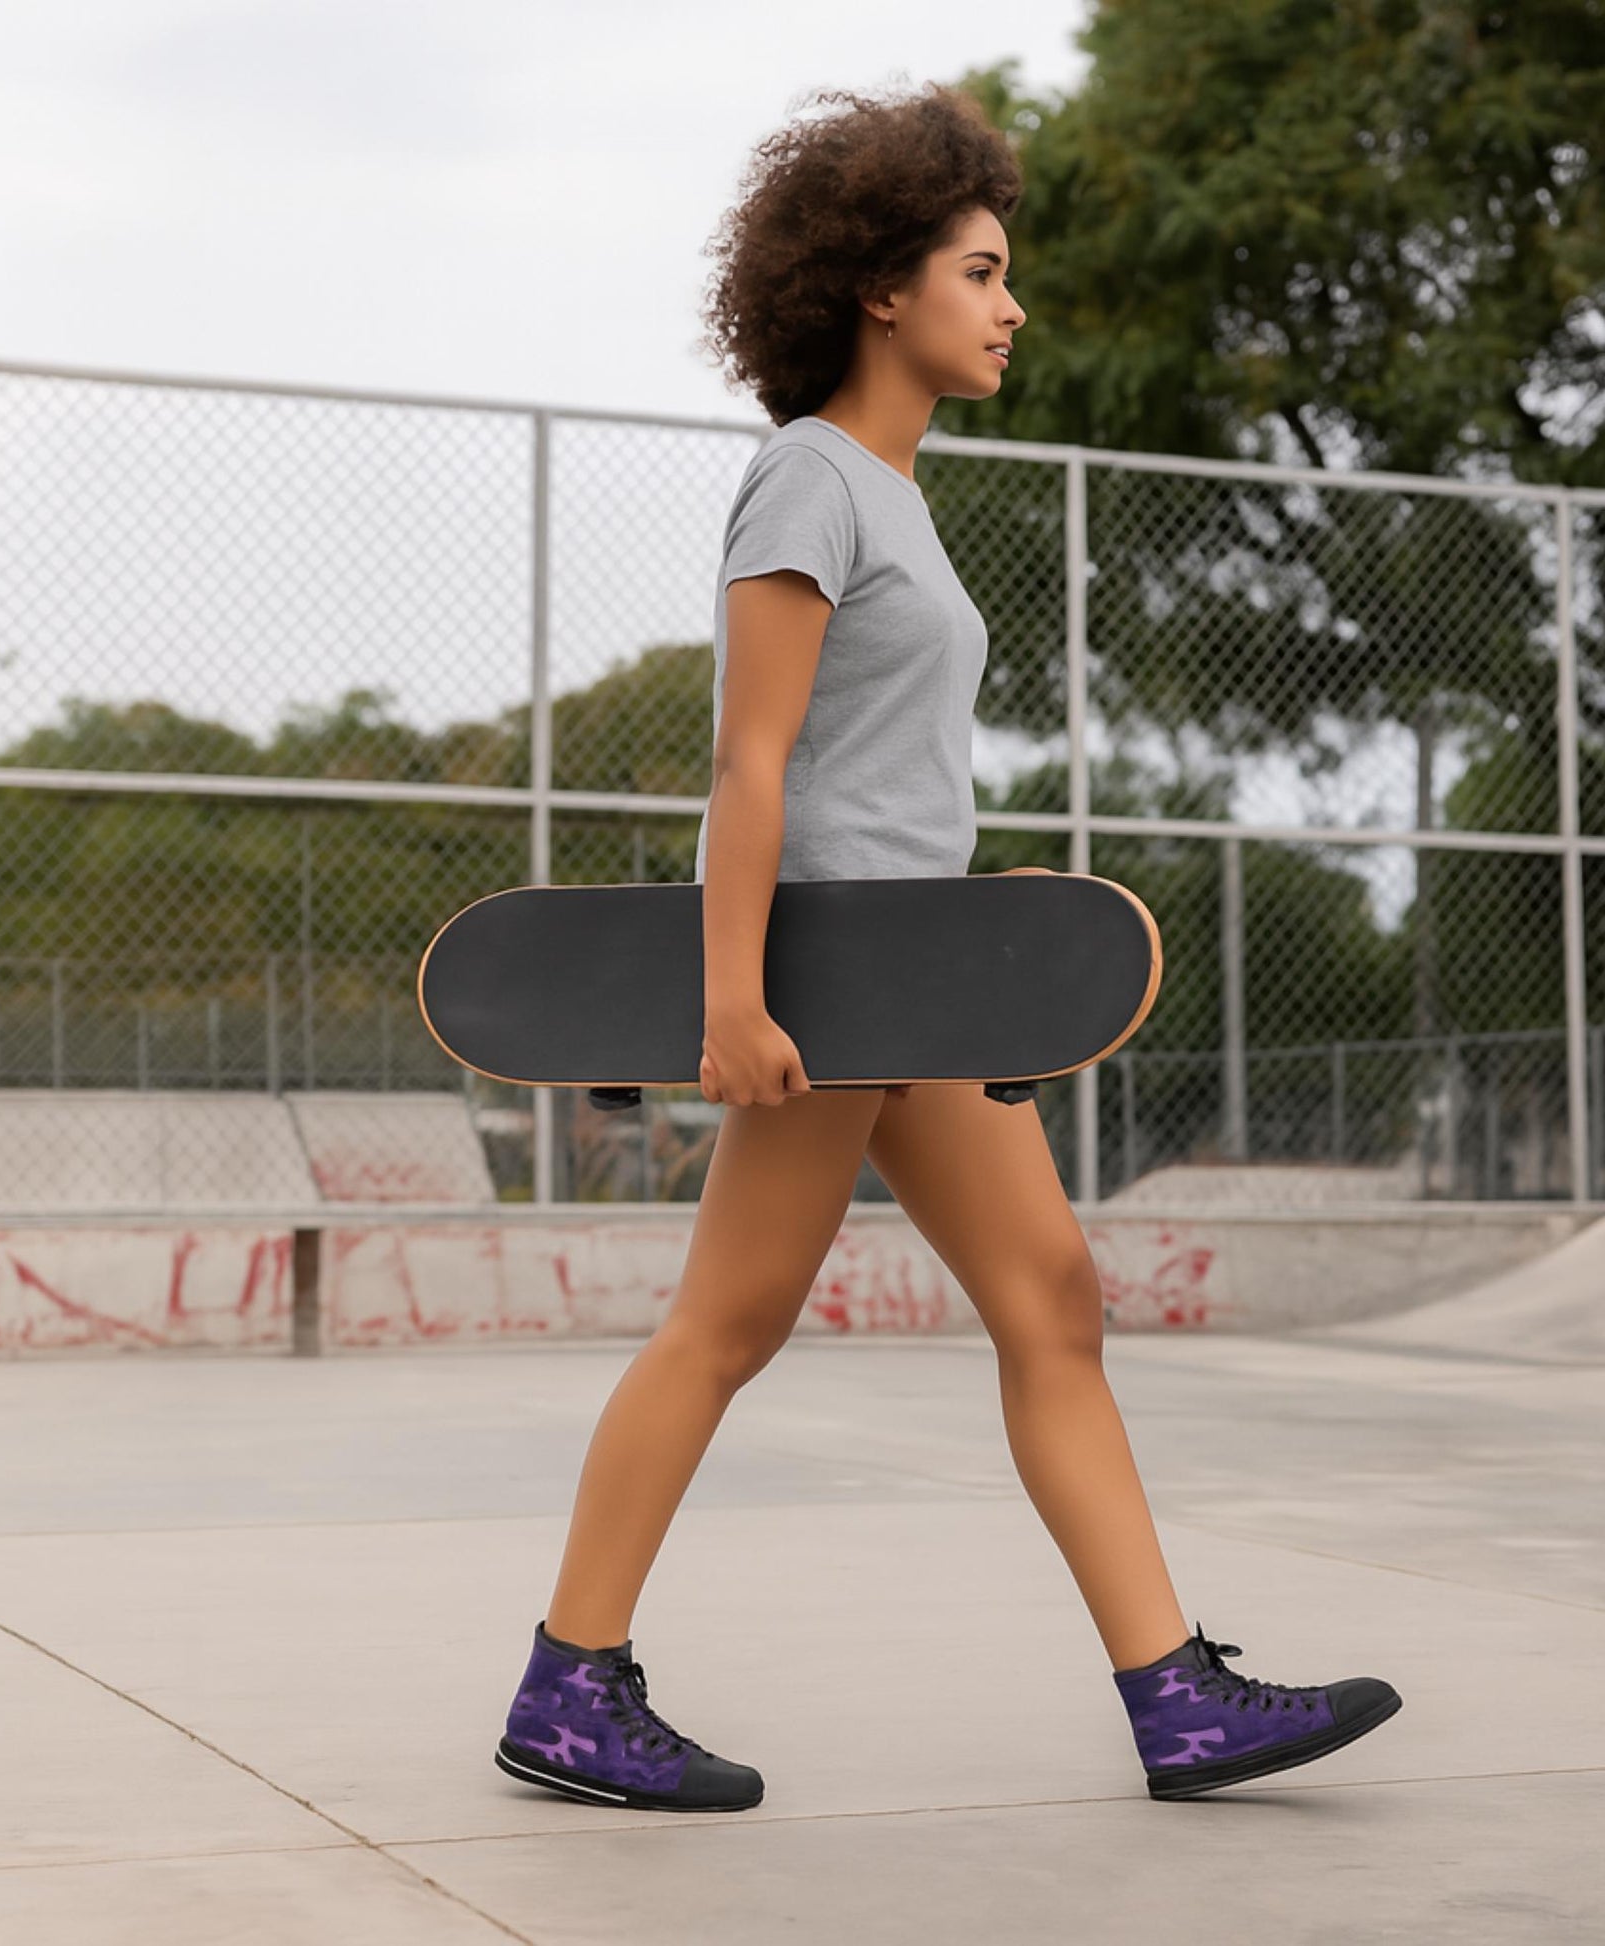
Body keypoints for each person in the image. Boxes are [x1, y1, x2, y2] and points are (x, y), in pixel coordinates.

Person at [495, 81, 1401, 1814]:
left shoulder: (897, 500)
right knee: (727, 1323)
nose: (1011, 303)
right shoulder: (805, 479)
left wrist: (978, 921)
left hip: (911, 973)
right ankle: (567, 1685)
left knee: (1052, 1296)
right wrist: (737, 996)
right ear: (877, 290)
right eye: (980, 269)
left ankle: (1173, 1698)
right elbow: (751, 760)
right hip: (829, 984)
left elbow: (873, 764)